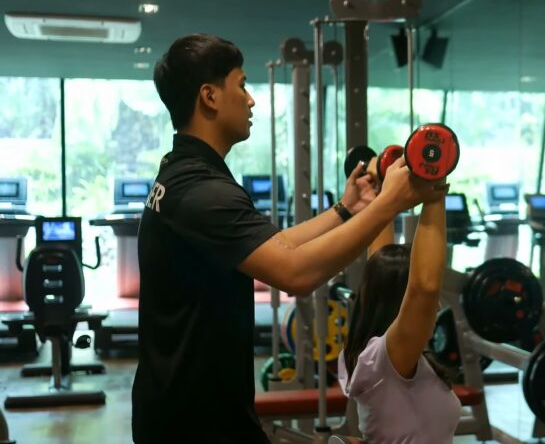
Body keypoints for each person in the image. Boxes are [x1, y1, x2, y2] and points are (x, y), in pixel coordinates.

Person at [133, 34, 432, 444]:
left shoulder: (184, 174)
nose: (251, 100)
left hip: (186, 409)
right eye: (241, 85)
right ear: (210, 96)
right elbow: (295, 272)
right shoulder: (202, 192)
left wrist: (349, 209)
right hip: (197, 423)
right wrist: (389, 205)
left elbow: (275, 247)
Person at [339, 168, 459, 443]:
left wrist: (382, 192)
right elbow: (424, 288)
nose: (436, 304)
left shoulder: (369, 354)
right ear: (399, 303)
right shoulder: (386, 361)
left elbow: (381, 266)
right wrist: (434, 192)